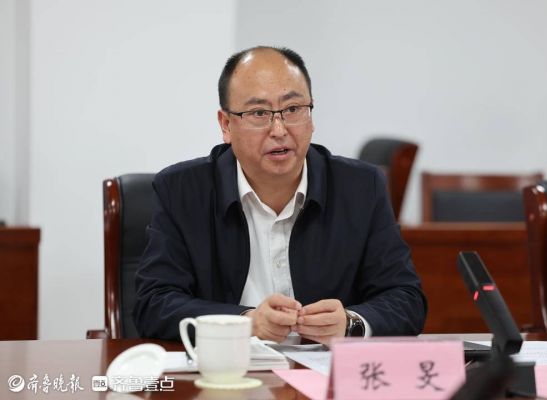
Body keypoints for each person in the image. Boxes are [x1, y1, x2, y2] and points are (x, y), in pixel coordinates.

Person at [133, 46, 427, 344]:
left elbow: (405, 298)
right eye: (259, 113)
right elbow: (153, 304)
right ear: (226, 125)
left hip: (324, 370)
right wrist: (246, 323)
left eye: (293, 109)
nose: (279, 129)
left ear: (311, 115)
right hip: (230, 366)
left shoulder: (362, 187)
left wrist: (350, 323)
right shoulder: (181, 191)